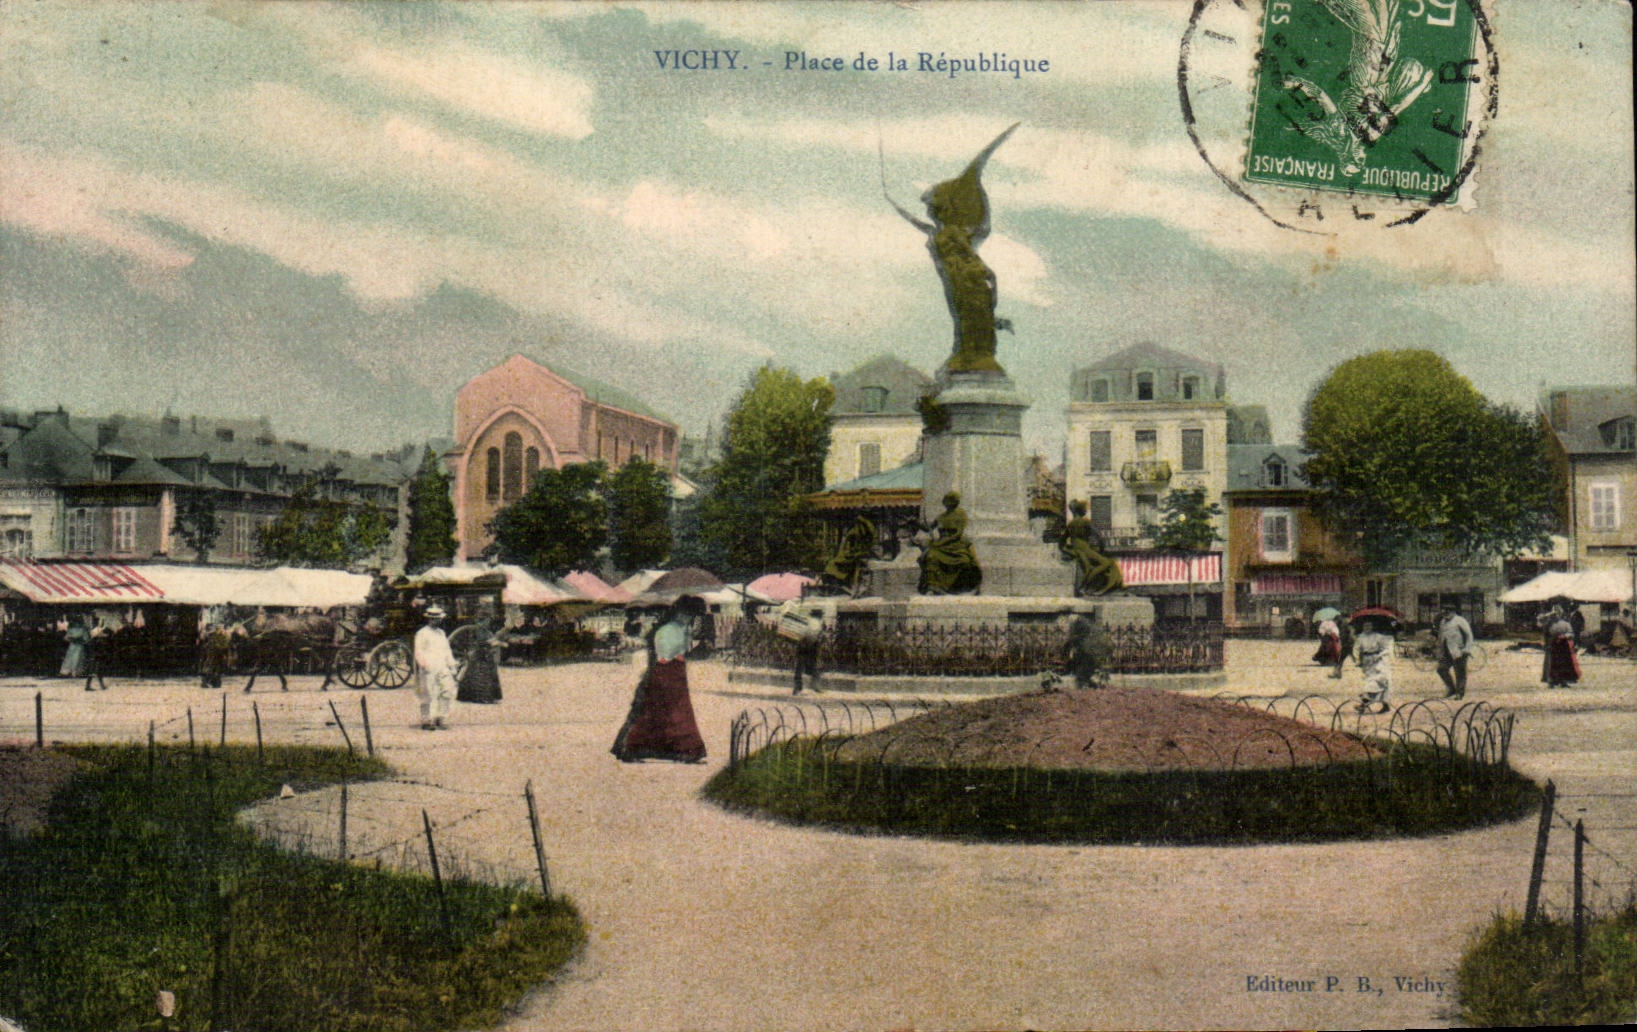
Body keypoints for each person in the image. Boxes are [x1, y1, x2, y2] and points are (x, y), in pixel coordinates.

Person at [611, 595, 707, 763]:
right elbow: (665, 654)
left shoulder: (680, 629)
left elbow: (682, 649)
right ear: (680, 613)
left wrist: (688, 638)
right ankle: (635, 747)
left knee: (675, 711)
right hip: (666, 671)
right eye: (688, 615)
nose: (689, 618)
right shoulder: (668, 629)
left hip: (675, 672)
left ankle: (682, 749)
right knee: (665, 710)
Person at [917, 492, 982, 595]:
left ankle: (964, 587)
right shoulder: (941, 517)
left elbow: (957, 534)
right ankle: (933, 586)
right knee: (930, 556)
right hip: (941, 545)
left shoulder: (961, 515)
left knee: (964, 560)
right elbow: (929, 527)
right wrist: (918, 523)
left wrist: (939, 544)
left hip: (956, 544)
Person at [1059, 499, 1124, 596]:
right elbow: (1098, 536)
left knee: (1091, 565)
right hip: (1086, 549)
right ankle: (1086, 585)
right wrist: (1102, 548)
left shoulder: (1070, 524)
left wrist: (1069, 551)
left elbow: (1061, 543)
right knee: (1106, 563)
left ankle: (1087, 585)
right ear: (1081, 511)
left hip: (1077, 549)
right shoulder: (1085, 522)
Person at [413, 605, 458, 730]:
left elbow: (447, 650)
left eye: (438, 619)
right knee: (428, 694)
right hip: (429, 667)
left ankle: (441, 718)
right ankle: (427, 720)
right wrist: (423, 665)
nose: (436, 621)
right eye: (433, 619)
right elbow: (418, 651)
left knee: (447, 691)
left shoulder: (441, 633)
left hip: (442, 666)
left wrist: (452, 665)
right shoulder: (422, 633)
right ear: (429, 619)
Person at [456, 607, 503, 704]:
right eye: (488, 620)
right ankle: (481, 697)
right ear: (485, 620)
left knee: (486, 674)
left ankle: (485, 695)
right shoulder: (479, 629)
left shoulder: (486, 630)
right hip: (480, 654)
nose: (489, 622)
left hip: (486, 654)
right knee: (479, 674)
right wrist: (493, 643)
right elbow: (482, 642)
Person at [823, 515, 878, 597]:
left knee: (835, 564)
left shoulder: (859, 529)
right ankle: (842, 582)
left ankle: (844, 582)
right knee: (836, 563)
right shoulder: (856, 530)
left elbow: (870, 538)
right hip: (855, 553)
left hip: (858, 554)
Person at [1060, 611, 1114, 689]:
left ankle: (1085, 684)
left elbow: (1072, 639)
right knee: (1084, 668)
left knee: (1083, 670)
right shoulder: (1085, 625)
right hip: (1089, 651)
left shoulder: (1082, 628)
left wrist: (1067, 648)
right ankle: (1089, 683)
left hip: (1089, 652)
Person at [1352, 618, 1394, 714]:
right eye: (1365, 626)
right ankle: (1364, 704)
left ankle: (1382, 705)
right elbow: (1356, 649)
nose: (1367, 628)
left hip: (1378, 662)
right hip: (1367, 662)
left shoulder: (1378, 637)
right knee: (1369, 682)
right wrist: (1358, 660)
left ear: (1372, 627)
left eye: (1369, 625)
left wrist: (1379, 655)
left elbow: (1386, 648)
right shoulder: (1360, 638)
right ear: (1362, 627)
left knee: (1378, 682)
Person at [1436, 608, 1475, 699]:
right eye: (1444, 612)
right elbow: (1440, 636)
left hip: (1459, 650)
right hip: (1446, 651)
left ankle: (1459, 693)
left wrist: (1467, 649)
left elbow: (1469, 635)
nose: (1445, 613)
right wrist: (1439, 649)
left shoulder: (1460, 620)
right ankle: (1451, 688)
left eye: (1448, 611)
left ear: (1453, 611)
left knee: (1460, 672)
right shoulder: (1443, 622)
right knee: (1441, 669)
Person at [1542, 607, 1581, 690]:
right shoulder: (1549, 624)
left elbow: (1571, 633)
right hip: (1553, 645)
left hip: (1563, 645)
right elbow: (1544, 630)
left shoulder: (1565, 624)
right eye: (1555, 614)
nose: (1557, 615)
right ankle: (1551, 681)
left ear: (1561, 614)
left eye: (1558, 613)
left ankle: (1563, 681)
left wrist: (1564, 636)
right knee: (1552, 663)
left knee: (1564, 663)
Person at [199, 620, 234, 690]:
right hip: (213, 651)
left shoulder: (222, 635)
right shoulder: (211, 636)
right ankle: (207, 681)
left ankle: (214, 681)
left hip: (218, 651)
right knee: (211, 666)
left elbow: (226, 644)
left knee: (216, 666)